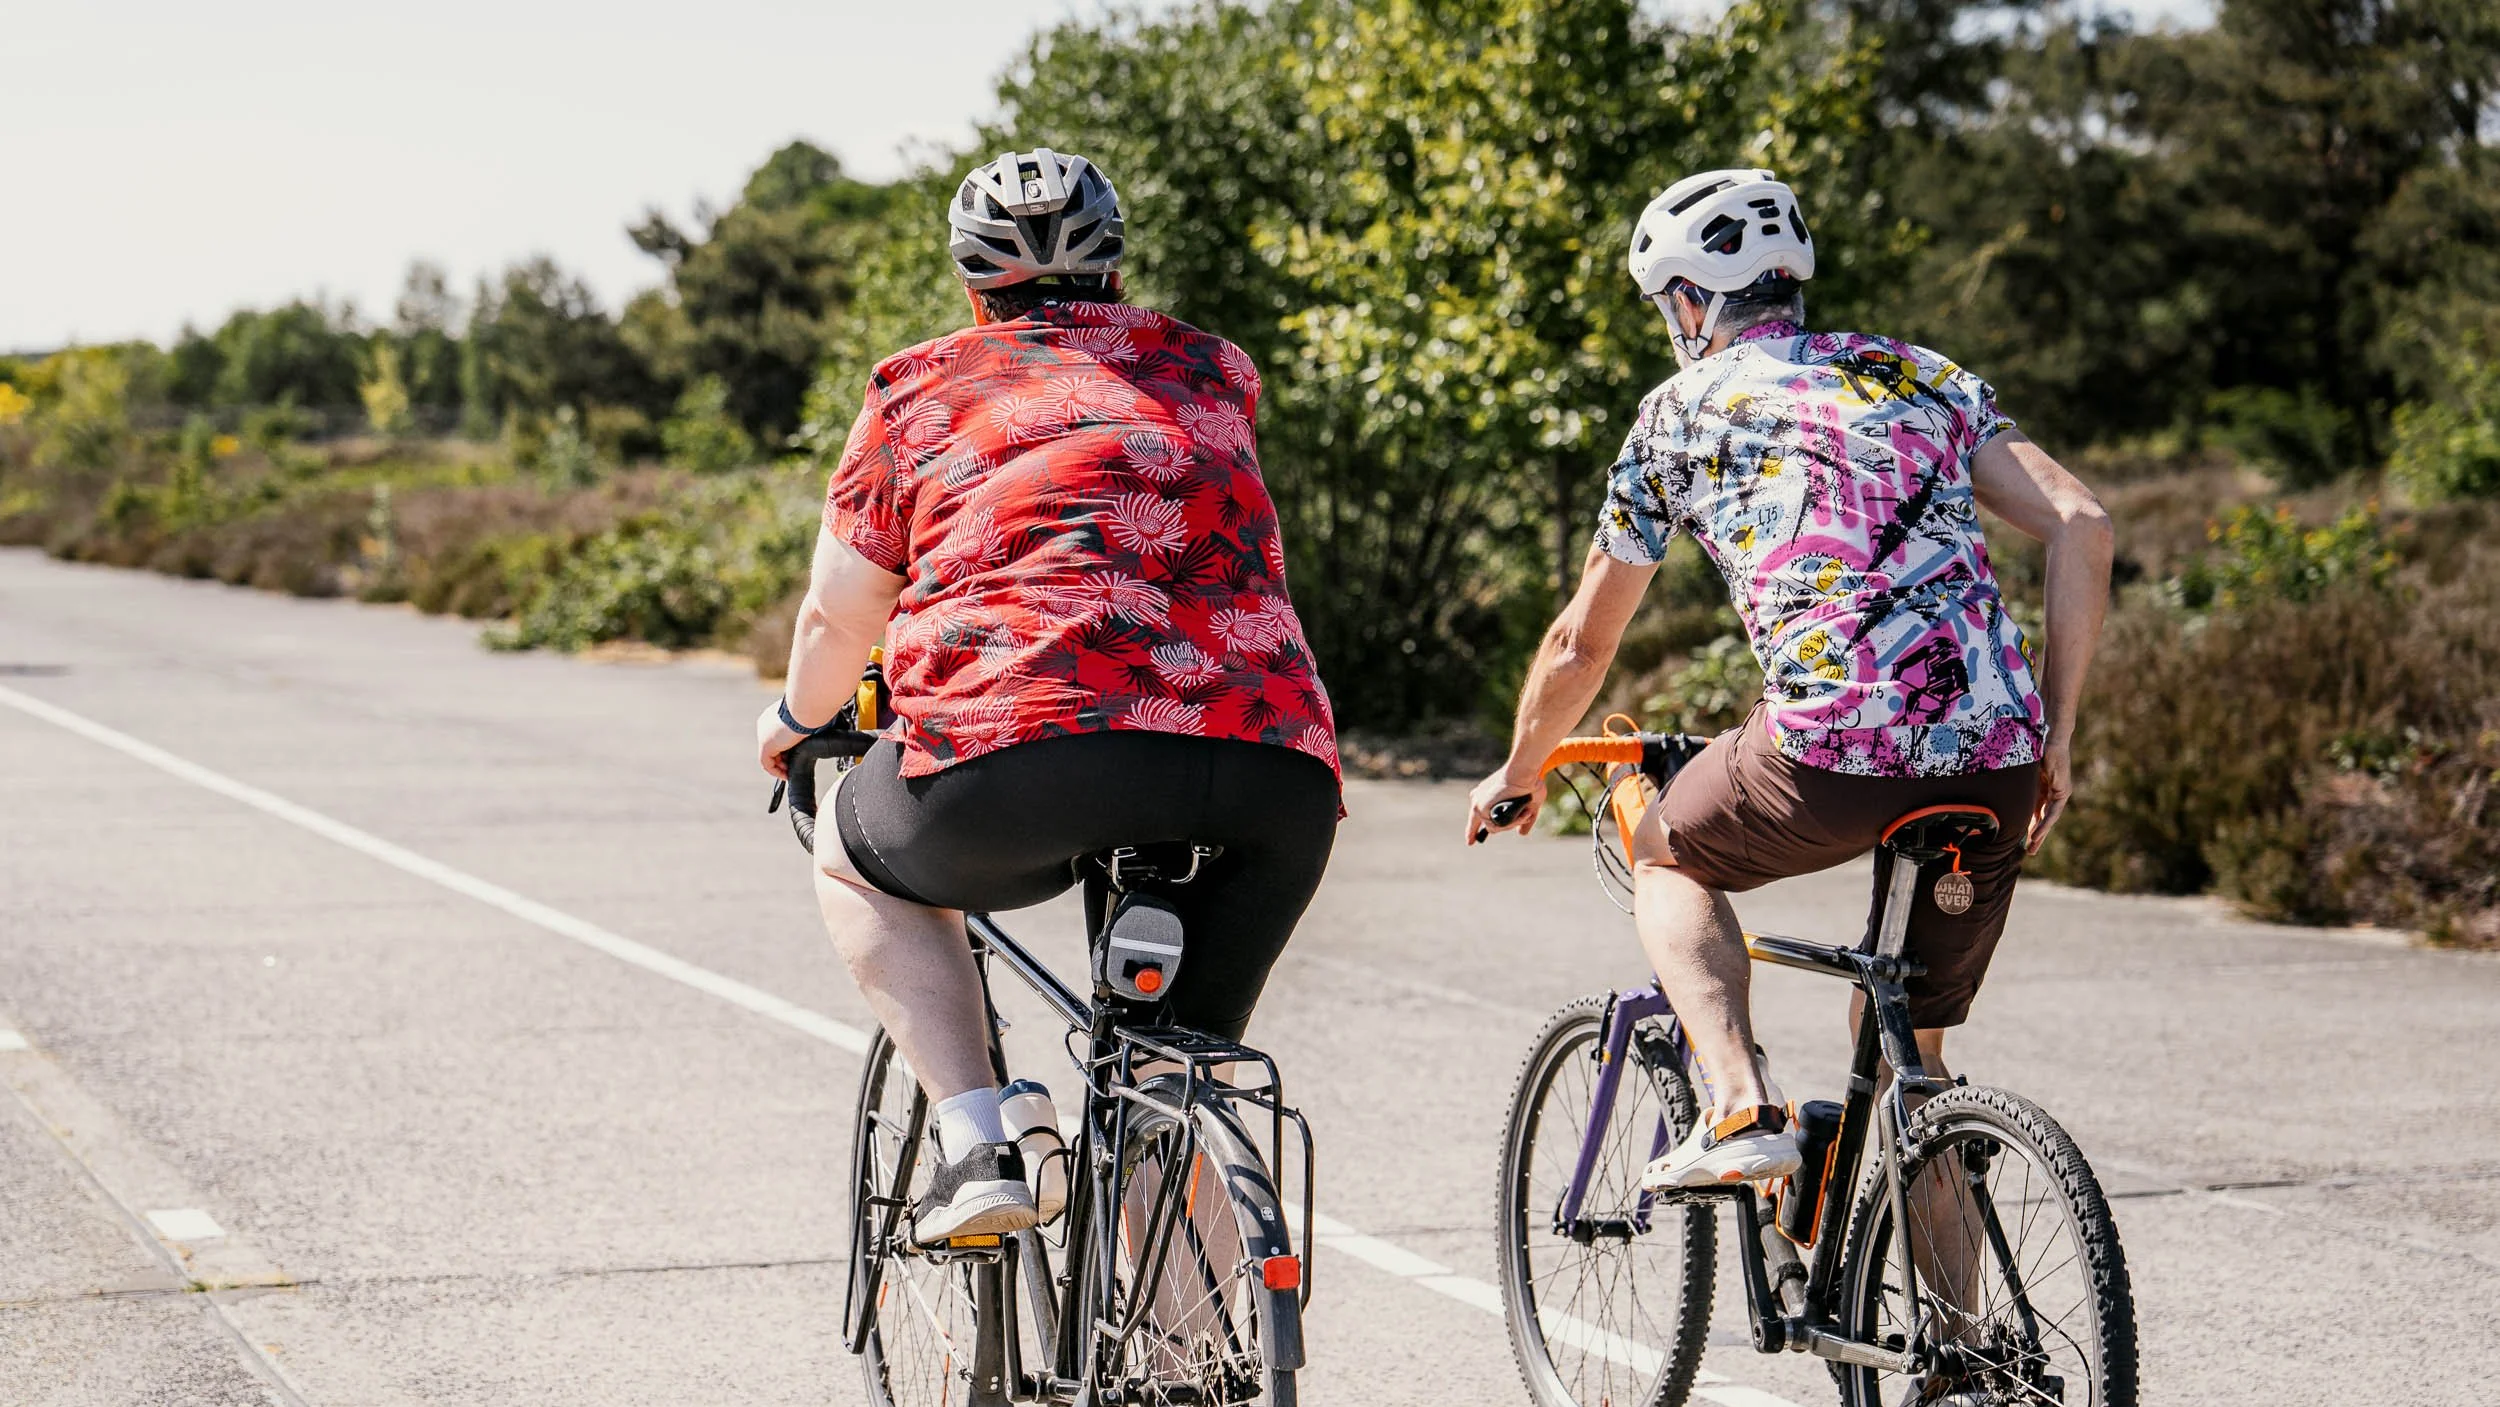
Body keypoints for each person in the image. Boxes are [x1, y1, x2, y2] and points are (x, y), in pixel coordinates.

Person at [1467, 166, 2113, 1205]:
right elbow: (2081, 523)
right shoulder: (1923, 374)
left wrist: (1521, 765)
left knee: (1663, 852)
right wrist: (2057, 737)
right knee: (1915, 1063)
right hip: (1998, 755)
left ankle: (1739, 1109)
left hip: (1827, 755)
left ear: (1688, 300)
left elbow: (1581, 646)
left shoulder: (1676, 415)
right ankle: (1958, 1355)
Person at [759, 147, 1340, 1245]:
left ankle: (976, 1135)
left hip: (1024, 745)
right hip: (1271, 765)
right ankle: (1197, 1389)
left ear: (973, 284)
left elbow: (840, 615)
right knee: (1172, 1086)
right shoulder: (1218, 369)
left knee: (851, 851)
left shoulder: (920, 385)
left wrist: (794, 723)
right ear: (1114, 268)